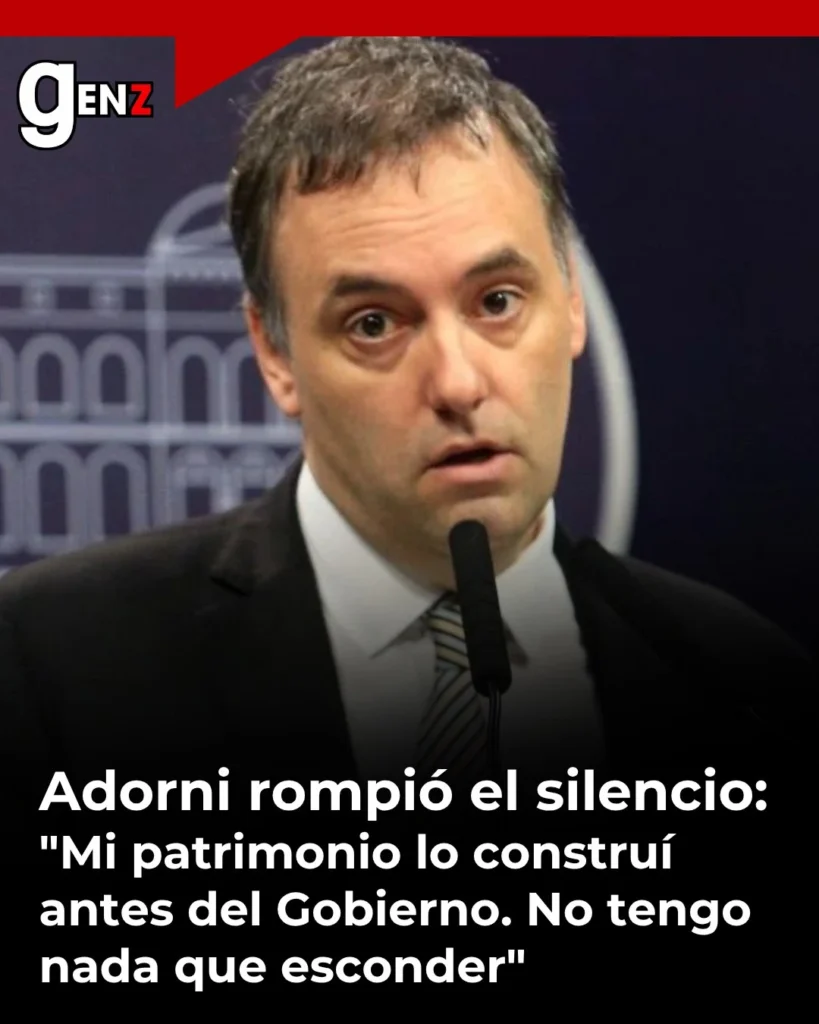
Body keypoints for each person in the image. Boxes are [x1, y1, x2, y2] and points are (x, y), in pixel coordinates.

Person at [0, 37, 813, 789]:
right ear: (275, 353)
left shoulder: (740, 683)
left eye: (497, 301)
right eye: (373, 324)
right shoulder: (53, 668)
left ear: (570, 303)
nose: (457, 384)